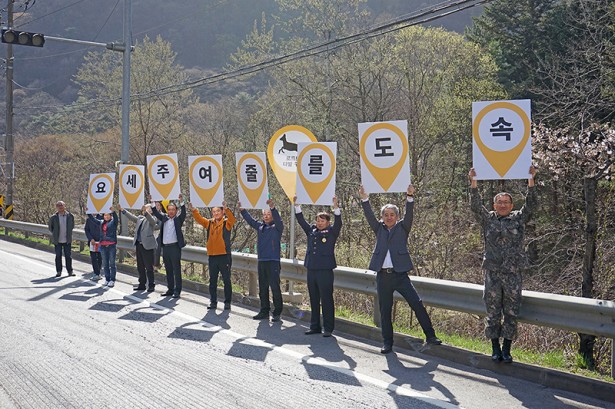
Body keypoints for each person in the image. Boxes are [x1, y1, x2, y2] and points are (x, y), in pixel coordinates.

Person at [360, 184, 442, 354]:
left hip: (400, 275)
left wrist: (410, 197)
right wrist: (364, 199)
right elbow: (369, 216)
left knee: (417, 304)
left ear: (397, 217)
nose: (389, 217)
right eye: (386, 215)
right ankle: (387, 343)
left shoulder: (403, 228)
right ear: (382, 217)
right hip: (383, 277)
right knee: (385, 311)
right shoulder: (378, 229)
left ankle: (431, 335)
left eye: (392, 215)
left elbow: (409, 215)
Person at [469, 165, 537, 363]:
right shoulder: (488, 219)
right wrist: (473, 182)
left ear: (512, 204)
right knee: (492, 311)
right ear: (494, 204)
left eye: (506, 202)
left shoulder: (518, 219)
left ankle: (507, 348)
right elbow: (475, 206)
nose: (503, 205)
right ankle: (495, 347)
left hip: (513, 273)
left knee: (511, 311)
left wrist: (531, 180)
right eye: (499, 202)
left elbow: (531, 206)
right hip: (492, 272)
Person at [294, 195, 342, 337]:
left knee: (326, 299)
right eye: (318, 220)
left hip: (325, 270)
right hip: (312, 269)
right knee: (313, 299)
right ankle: (314, 326)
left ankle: (328, 328)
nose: (319, 223)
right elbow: (301, 221)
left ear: (328, 222)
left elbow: (339, 223)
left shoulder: (332, 232)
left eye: (322, 221)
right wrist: (297, 206)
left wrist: (336, 208)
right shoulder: (312, 231)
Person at [239, 198, 284, 322]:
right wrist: (243, 210)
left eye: (268, 214)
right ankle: (264, 310)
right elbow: (251, 221)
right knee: (263, 287)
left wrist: (273, 208)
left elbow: (279, 220)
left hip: (273, 261)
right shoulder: (260, 227)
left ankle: (277, 312)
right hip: (262, 261)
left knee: (274, 287)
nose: (266, 216)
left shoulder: (277, 227)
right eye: (264, 214)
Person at [189, 200, 236, 310]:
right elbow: (199, 219)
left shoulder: (226, 223)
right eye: (214, 211)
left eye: (218, 211)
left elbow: (232, 219)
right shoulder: (209, 223)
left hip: (224, 256)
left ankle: (227, 302)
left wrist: (227, 208)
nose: (216, 213)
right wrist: (194, 210)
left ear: (222, 212)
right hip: (212, 256)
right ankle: (213, 302)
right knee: (213, 280)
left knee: (226, 280)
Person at [118, 203, 160, 293]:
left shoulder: (154, 218)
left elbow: (153, 222)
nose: (146, 209)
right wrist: (123, 210)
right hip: (139, 245)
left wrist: (146, 213)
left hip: (147, 246)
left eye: (148, 208)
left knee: (149, 267)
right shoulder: (141, 218)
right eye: (145, 208)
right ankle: (142, 284)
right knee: (140, 266)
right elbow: (132, 217)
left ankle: (151, 285)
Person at [151, 195, 187, 299]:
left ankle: (177, 290)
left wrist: (181, 202)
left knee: (176, 269)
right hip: (165, 248)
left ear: (176, 211)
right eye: (169, 209)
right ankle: (170, 289)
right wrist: (153, 202)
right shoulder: (164, 218)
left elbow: (183, 213)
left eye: (173, 210)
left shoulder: (178, 220)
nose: (171, 211)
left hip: (175, 248)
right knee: (168, 270)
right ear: (167, 210)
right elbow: (156, 213)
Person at [88, 209, 119, 287]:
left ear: (110, 216)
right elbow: (93, 219)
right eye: (105, 215)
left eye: (108, 215)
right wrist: (88, 212)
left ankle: (112, 280)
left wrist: (113, 211)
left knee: (112, 263)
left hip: (111, 245)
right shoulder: (101, 222)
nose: (106, 216)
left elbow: (116, 218)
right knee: (105, 264)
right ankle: (107, 279)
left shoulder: (113, 223)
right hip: (103, 245)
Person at [48, 201, 75, 277]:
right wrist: (55, 234)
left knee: (68, 256)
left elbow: (72, 226)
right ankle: (59, 271)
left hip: (67, 240)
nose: (60, 207)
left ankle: (70, 271)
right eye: (58, 205)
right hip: (58, 240)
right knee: (58, 256)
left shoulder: (70, 216)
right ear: (56, 207)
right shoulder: (53, 217)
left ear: (64, 206)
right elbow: (50, 228)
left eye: (62, 205)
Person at [84, 211, 103, 281]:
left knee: (100, 257)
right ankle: (96, 273)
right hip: (92, 242)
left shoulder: (102, 218)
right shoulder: (89, 219)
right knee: (93, 258)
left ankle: (98, 271)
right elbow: (86, 230)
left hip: (100, 242)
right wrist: (91, 239)